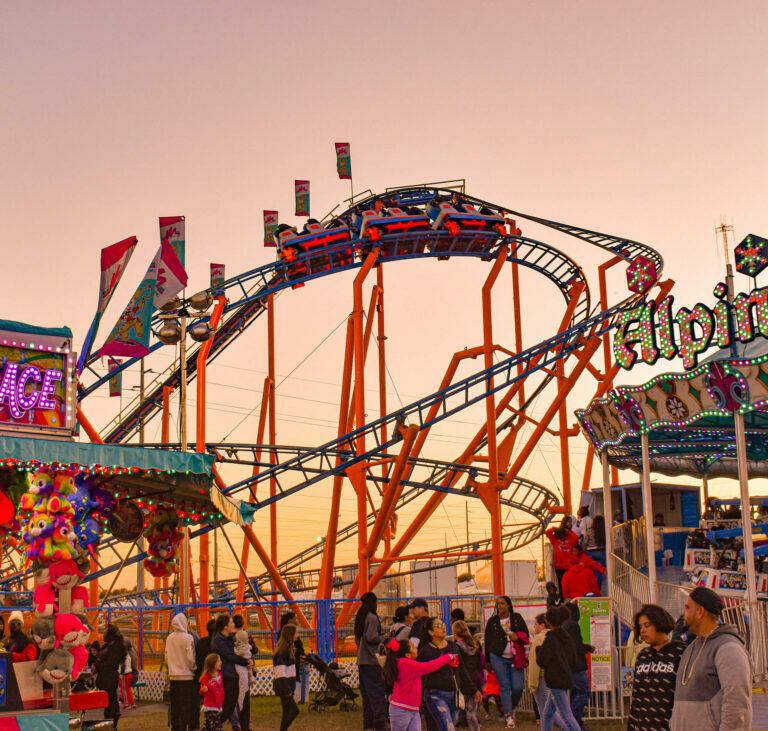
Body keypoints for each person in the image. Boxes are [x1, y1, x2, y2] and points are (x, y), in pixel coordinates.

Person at [669, 587, 752, 730]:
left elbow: (736, 702)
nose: (683, 613)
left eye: (687, 608)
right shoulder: (691, 648)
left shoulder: (728, 648)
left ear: (700, 612)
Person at [627, 604, 684, 730]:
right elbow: (636, 699)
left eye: (647, 625)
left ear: (660, 623)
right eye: (640, 627)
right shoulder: (643, 656)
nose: (642, 631)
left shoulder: (680, 653)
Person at [383, 636, 456, 731]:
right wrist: (448, 657)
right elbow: (430, 666)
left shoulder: (402, 663)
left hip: (410, 709)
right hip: (402, 710)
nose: (416, 648)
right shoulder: (408, 664)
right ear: (408, 654)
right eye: (413, 647)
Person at [483, 596, 529, 728]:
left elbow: (525, 634)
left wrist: (517, 636)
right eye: (498, 604)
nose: (500, 606)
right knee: (504, 687)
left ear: (508, 605)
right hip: (497, 657)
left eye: (502, 603)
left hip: (516, 657)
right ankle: (508, 715)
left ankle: (512, 707)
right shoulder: (492, 621)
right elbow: (488, 640)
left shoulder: (517, 618)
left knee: (518, 687)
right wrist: (487, 661)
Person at [535, 607, 580, 731]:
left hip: (555, 681)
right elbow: (573, 660)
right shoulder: (567, 637)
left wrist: (538, 650)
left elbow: (542, 661)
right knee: (547, 713)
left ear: (548, 622)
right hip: (566, 678)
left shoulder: (550, 639)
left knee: (567, 715)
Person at [418, 617, 462, 730]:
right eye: (438, 626)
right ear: (431, 632)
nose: (443, 628)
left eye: (443, 624)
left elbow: (461, 669)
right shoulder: (425, 651)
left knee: (447, 727)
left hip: (453, 693)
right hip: (435, 695)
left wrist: (474, 689)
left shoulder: (452, 646)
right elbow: (420, 675)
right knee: (448, 728)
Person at [212, 613, 252, 731]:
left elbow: (240, 651)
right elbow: (230, 656)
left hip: (235, 675)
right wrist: (246, 662)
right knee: (229, 706)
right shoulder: (219, 640)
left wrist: (249, 661)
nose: (233, 624)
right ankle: (212, 725)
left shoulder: (230, 638)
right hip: (227, 676)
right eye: (230, 622)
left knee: (241, 703)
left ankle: (244, 727)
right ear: (225, 626)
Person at [355, 591, 388, 731]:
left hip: (362, 661)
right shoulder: (372, 618)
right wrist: (384, 638)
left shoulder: (361, 617)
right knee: (377, 693)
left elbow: (361, 638)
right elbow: (371, 637)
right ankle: (380, 723)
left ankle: (368, 725)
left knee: (367, 696)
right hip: (372, 660)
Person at [165, 613, 198, 731]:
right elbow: (190, 657)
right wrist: (193, 668)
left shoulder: (169, 638)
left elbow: (167, 656)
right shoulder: (188, 638)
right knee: (185, 705)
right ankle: (184, 726)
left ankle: (175, 727)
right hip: (187, 676)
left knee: (175, 705)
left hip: (173, 676)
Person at [561, 603, 592, 728]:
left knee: (574, 695)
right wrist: (586, 648)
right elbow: (576, 646)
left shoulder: (563, 626)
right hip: (577, 666)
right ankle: (571, 720)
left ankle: (576, 724)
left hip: (568, 666)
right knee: (584, 692)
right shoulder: (573, 626)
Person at [452, 620, 483, 731]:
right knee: (472, 712)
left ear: (454, 633)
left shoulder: (455, 647)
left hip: (461, 682)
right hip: (474, 680)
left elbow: (456, 666)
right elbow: (479, 665)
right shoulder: (474, 646)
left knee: (455, 710)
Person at [96, 624, 127, 729]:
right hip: (105, 677)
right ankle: (109, 720)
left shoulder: (116, 646)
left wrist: (99, 666)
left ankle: (111, 721)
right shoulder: (109, 645)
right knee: (109, 701)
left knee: (111, 701)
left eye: (105, 632)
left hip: (109, 677)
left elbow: (111, 662)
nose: (104, 634)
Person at [273, 624, 300, 730]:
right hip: (284, 687)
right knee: (294, 711)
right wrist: (287, 689)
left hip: (288, 686)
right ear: (290, 635)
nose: (298, 635)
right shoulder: (283, 652)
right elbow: (280, 673)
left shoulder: (290, 650)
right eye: (296, 632)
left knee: (286, 712)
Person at [545, 518, 579, 594]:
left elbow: (576, 538)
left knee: (569, 584)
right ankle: (562, 598)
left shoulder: (569, 539)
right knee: (561, 584)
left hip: (568, 566)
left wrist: (568, 531)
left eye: (563, 535)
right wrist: (556, 528)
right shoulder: (555, 540)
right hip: (559, 566)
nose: (562, 537)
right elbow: (547, 532)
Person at [526, 613, 547, 725]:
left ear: (542, 625)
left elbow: (534, 664)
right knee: (551, 711)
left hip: (542, 677)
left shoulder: (538, 639)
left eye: (535, 624)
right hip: (556, 678)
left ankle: (568, 728)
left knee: (545, 711)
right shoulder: (556, 636)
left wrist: (532, 684)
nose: (534, 628)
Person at [233, 626, 253, 725]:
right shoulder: (247, 646)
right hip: (244, 669)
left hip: (241, 670)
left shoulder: (238, 647)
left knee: (243, 685)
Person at [199, 653, 225, 731]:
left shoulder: (219, 676)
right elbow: (202, 691)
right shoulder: (206, 678)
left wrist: (222, 697)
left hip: (217, 704)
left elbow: (220, 689)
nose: (221, 663)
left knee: (208, 726)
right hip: (210, 706)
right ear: (213, 664)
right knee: (217, 726)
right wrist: (203, 690)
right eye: (218, 661)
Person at [119, 637, 136, 711]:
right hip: (129, 673)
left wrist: (121, 673)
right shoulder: (131, 653)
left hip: (124, 674)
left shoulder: (123, 654)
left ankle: (126, 703)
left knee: (123, 689)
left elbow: (123, 665)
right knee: (128, 689)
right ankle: (132, 702)